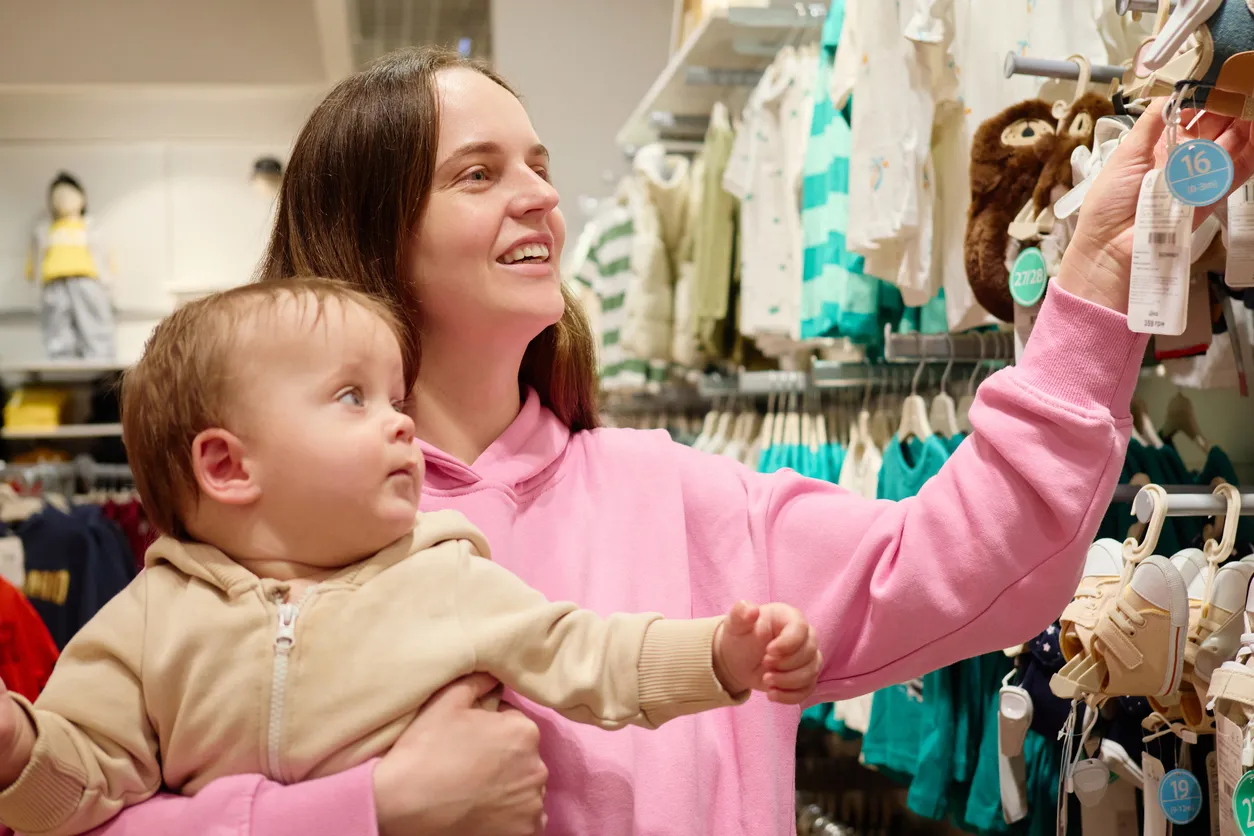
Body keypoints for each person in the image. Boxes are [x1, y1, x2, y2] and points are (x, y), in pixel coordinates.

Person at [66, 47, 1254, 836]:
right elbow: (77, 803)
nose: (540, 196)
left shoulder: (680, 496)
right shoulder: (258, 538)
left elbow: (976, 560)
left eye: (540, 166)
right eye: (478, 173)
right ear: (368, 230)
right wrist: (374, 804)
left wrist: (1097, 279)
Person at [0, 277, 820, 836]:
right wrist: (18, 750)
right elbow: (82, 786)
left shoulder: (444, 577)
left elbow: (592, 654)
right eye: (351, 397)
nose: (401, 422)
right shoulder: (147, 621)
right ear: (227, 466)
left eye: (396, 398)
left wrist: (718, 655)